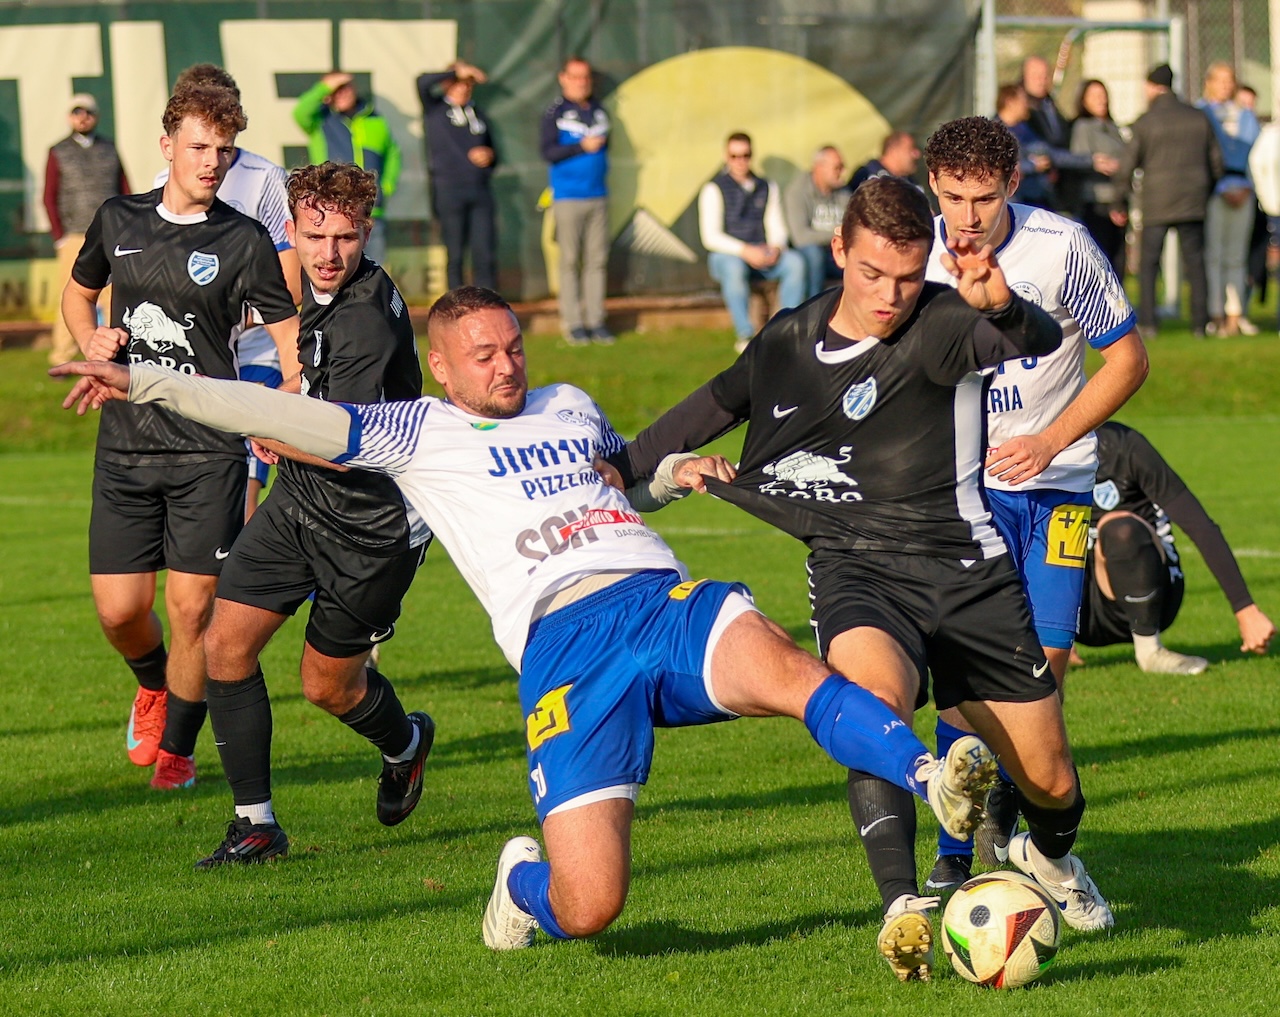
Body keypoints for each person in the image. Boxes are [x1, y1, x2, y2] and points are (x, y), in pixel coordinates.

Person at [53, 285, 1000, 949]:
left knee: (797, 673)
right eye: (485, 355)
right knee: (592, 905)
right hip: (563, 648)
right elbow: (276, 413)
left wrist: (671, 474)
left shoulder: (569, 402)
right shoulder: (418, 430)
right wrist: (147, 381)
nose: (507, 367)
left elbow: (615, 483)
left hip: (656, 596)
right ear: (441, 365)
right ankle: (521, 886)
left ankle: (932, 776)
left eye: (514, 347)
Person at [608, 176, 1113, 982]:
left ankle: (1047, 856)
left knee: (1051, 782)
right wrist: (620, 466)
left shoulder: (946, 323)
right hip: (857, 569)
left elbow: (1031, 339)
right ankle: (902, 905)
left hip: (967, 576)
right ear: (840, 250)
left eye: (909, 276)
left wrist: (1002, 304)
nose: (890, 295)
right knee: (870, 701)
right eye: (873, 273)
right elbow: (712, 404)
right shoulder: (789, 338)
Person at [921, 115, 1147, 892]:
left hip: (1058, 489)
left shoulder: (1061, 247)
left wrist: (1050, 440)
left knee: (1044, 670)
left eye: (984, 196)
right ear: (934, 187)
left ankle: (1004, 823)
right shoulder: (913, 256)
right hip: (961, 495)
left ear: (1013, 184)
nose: (968, 215)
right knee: (966, 672)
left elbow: (1127, 360)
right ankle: (950, 860)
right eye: (952, 196)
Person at [187, 162, 432, 867]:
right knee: (224, 646)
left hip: (371, 525)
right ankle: (255, 824)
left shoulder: (364, 318)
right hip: (298, 501)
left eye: (347, 237)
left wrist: (262, 426)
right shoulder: (297, 281)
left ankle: (406, 744)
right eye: (316, 233)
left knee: (328, 686)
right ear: (290, 229)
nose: (330, 252)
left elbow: (344, 444)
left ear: (366, 236)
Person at [59, 84, 300, 790]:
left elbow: (287, 331)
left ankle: (180, 748)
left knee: (192, 607)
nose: (212, 161)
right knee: (119, 609)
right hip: (126, 444)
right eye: (198, 147)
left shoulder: (243, 237)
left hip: (209, 450)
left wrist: (290, 389)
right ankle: (153, 683)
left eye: (224, 150)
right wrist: (90, 337)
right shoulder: (118, 217)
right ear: (166, 146)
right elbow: (79, 295)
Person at [155, 64, 304, 520]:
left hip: (254, 354)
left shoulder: (265, 179)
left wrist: (240, 320)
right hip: (190, 359)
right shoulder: (157, 185)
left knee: (243, 479)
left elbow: (291, 280)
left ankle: (243, 580)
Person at [1074, 421, 1275, 672]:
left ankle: (1150, 652)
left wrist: (1246, 610)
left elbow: (1200, 526)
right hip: (1078, 609)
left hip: (1154, 593)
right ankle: (1052, 645)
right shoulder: (1036, 452)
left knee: (1119, 528)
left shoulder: (1124, 446)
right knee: (1020, 530)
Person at [1114, 64, 1223, 338]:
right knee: (1196, 262)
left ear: (1152, 86)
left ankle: (1149, 322)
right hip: (1193, 201)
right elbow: (1216, 162)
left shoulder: (1146, 121)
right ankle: (1201, 323)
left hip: (1156, 202)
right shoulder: (1198, 117)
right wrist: (1204, 191)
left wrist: (1118, 200)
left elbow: (1127, 164)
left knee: (1150, 263)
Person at [698, 132, 806, 352]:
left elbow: (776, 226)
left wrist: (776, 247)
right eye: (734, 156)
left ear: (751, 155)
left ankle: (785, 329)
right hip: (729, 256)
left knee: (795, 263)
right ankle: (745, 334)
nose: (740, 161)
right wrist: (745, 251)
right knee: (733, 267)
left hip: (761, 252)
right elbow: (711, 237)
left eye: (745, 155)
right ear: (726, 157)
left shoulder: (767, 186)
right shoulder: (713, 188)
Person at [43, 93, 130, 367]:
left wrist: (127, 225)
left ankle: (112, 353)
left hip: (111, 232)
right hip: (75, 235)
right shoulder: (58, 151)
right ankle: (62, 356)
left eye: (88, 112)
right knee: (71, 295)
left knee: (113, 296)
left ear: (96, 116)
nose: (83, 117)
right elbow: (49, 195)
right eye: (77, 112)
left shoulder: (109, 147)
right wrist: (59, 236)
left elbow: (124, 188)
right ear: (70, 117)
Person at [540, 57, 613, 346]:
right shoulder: (554, 113)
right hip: (568, 196)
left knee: (597, 261)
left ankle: (596, 321)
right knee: (570, 261)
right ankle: (573, 324)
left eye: (586, 77)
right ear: (563, 78)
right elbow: (548, 151)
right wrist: (581, 146)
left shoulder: (598, 110)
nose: (581, 82)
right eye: (575, 77)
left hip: (598, 195)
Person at [294, 71, 400, 264]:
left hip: (370, 212)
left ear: (354, 89)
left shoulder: (376, 120)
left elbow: (393, 154)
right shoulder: (320, 120)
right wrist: (325, 86)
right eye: (336, 90)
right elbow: (300, 112)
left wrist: (387, 187)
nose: (341, 94)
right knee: (336, 267)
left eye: (345, 88)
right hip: (331, 211)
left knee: (373, 270)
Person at [417, 60, 497, 291]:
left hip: (480, 190)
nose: (463, 88)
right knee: (455, 255)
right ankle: (456, 309)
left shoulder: (478, 114)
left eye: (467, 84)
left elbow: (494, 151)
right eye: (457, 83)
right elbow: (422, 82)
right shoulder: (435, 109)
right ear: (446, 84)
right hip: (449, 191)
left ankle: (488, 306)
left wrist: (488, 156)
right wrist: (454, 71)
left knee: (484, 254)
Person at [1198, 62, 1261, 336]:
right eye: (1219, 80)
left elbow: (1256, 155)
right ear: (1209, 82)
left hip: (1243, 191)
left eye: (1229, 80)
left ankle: (1235, 315)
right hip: (1214, 191)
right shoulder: (1201, 113)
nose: (1225, 85)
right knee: (1215, 254)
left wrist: (1247, 186)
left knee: (1236, 255)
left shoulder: (1246, 116)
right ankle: (1216, 313)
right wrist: (1220, 185)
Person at [1021, 55, 1103, 214]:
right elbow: (1039, 148)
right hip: (1035, 188)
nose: (1041, 80)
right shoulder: (1023, 111)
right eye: (1036, 76)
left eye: (1045, 76)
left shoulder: (1049, 104)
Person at [1071, 79, 1129, 280]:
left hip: (1117, 200)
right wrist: (1097, 163)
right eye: (1095, 96)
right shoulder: (1083, 127)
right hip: (1096, 202)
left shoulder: (1113, 127)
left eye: (1103, 95)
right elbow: (1078, 157)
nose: (1101, 100)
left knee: (1118, 258)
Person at [784, 146, 852, 299]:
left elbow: (853, 229)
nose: (843, 172)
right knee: (814, 254)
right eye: (838, 167)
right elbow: (800, 237)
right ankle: (814, 308)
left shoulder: (844, 193)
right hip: (809, 255)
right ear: (819, 167)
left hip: (836, 252)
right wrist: (837, 233)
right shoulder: (797, 192)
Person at [995, 84, 1054, 209]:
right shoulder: (994, 133)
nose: (1027, 105)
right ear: (1010, 102)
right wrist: (1032, 165)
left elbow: (1046, 151)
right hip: (1015, 202)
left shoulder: (1026, 128)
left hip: (1037, 197)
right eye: (1024, 101)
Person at [849, 132, 920, 191]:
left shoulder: (912, 184)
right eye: (911, 149)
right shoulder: (866, 176)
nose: (917, 154)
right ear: (894, 151)